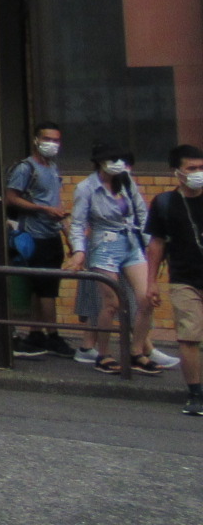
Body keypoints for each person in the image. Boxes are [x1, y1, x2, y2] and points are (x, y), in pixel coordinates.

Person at [65, 143, 159, 376]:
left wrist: (149, 245)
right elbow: (78, 223)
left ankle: (136, 351)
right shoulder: (86, 187)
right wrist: (79, 251)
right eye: (112, 159)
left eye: (120, 160)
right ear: (100, 162)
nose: (118, 164)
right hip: (103, 244)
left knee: (146, 298)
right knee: (111, 303)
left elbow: (142, 212)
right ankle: (103, 353)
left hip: (130, 241)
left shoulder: (126, 180)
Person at [4, 120, 70, 358]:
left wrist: (66, 231)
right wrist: (42, 210)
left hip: (52, 233)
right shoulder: (25, 168)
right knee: (46, 290)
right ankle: (52, 336)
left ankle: (35, 332)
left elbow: (56, 201)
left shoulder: (52, 167)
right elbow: (11, 198)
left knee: (41, 288)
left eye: (56, 140)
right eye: (47, 139)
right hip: (34, 234)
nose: (52, 144)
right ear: (36, 140)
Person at [146, 145, 203, 416]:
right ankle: (195, 393)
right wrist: (151, 282)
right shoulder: (165, 203)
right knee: (189, 337)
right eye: (192, 168)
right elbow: (156, 245)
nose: (198, 173)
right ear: (178, 172)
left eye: (201, 167)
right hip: (184, 279)